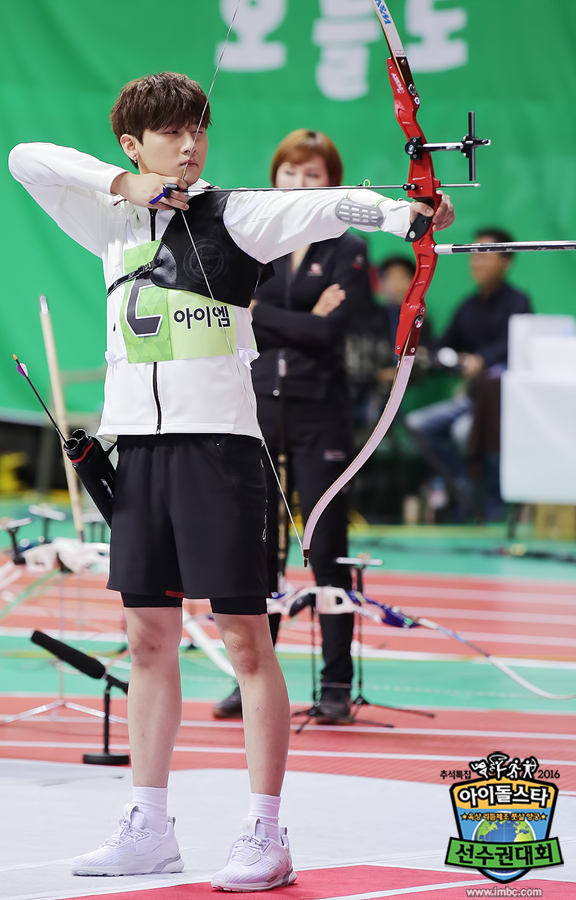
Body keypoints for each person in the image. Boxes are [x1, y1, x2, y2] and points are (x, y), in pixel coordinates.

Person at [9, 72, 454, 891]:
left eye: (197, 130)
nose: (188, 146)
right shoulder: (108, 220)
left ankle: (266, 832)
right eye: (170, 134)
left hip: (220, 452)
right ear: (135, 147)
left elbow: (328, 206)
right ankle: (148, 822)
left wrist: (405, 213)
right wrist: (123, 185)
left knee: (247, 640)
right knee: (148, 639)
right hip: (137, 453)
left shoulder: (235, 215)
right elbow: (23, 158)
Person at [213, 129, 372, 726]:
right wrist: (297, 316)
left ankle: (336, 682)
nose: (300, 186)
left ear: (330, 184)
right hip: (255, 406)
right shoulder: (254, 245)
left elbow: (330, 334)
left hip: (319, 413)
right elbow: (237, 319)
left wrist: (267, 315)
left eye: (314, 176)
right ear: (273, 177)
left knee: (327, 548)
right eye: (290, 174)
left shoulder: (346, 248)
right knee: (259, 551)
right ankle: (253, 679)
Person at [405, 228, 531, 520]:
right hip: (469, 399)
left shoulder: (518, 302)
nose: (477, 262)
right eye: (473, 255)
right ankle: (463, 484)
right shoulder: (468, 306)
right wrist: (433, 356)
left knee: (465, 432)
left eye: (486, 254)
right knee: (418, 424)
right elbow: (444, 345)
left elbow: (512, 347)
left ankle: (491, 503)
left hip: (500, 403)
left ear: (506, 261)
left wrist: (480, 361)